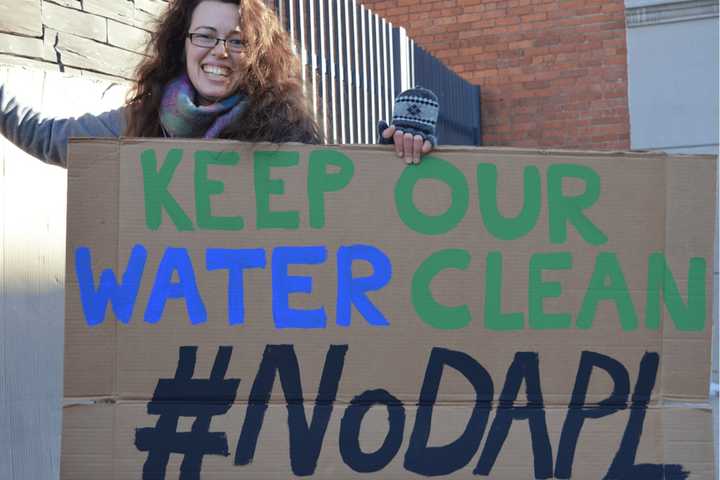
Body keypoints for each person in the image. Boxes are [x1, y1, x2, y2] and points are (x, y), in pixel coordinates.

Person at [0, 0, 438, 167]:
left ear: (259, 56)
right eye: (205, 36)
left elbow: (344, 212)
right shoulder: (140, 124)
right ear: (183, 43)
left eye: (237, 41)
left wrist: (397, 159)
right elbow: (48, 137)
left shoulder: (286, 133)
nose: (219, 52)